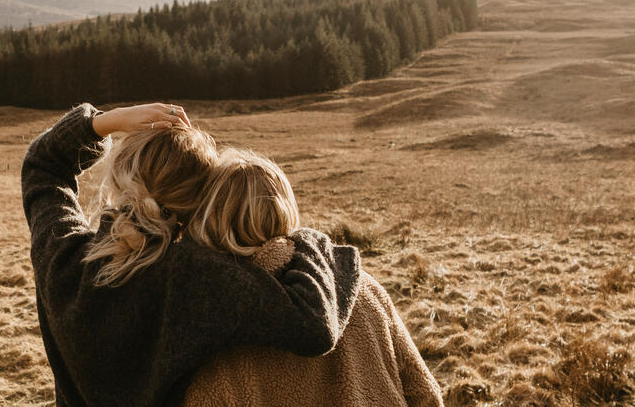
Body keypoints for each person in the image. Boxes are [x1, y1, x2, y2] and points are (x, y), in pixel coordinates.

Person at [22, 103, 361, 407]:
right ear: (199, 207)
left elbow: (43, 165)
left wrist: (107, 120)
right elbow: (314, 324)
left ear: (117, 181)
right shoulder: (196, 276)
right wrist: (308, 240)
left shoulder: (61, 255)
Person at [182, 148, 443, 407]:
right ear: (286, 209)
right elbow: (425, 395)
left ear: (208, 217)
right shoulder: (362, 287)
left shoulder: (216, 317)